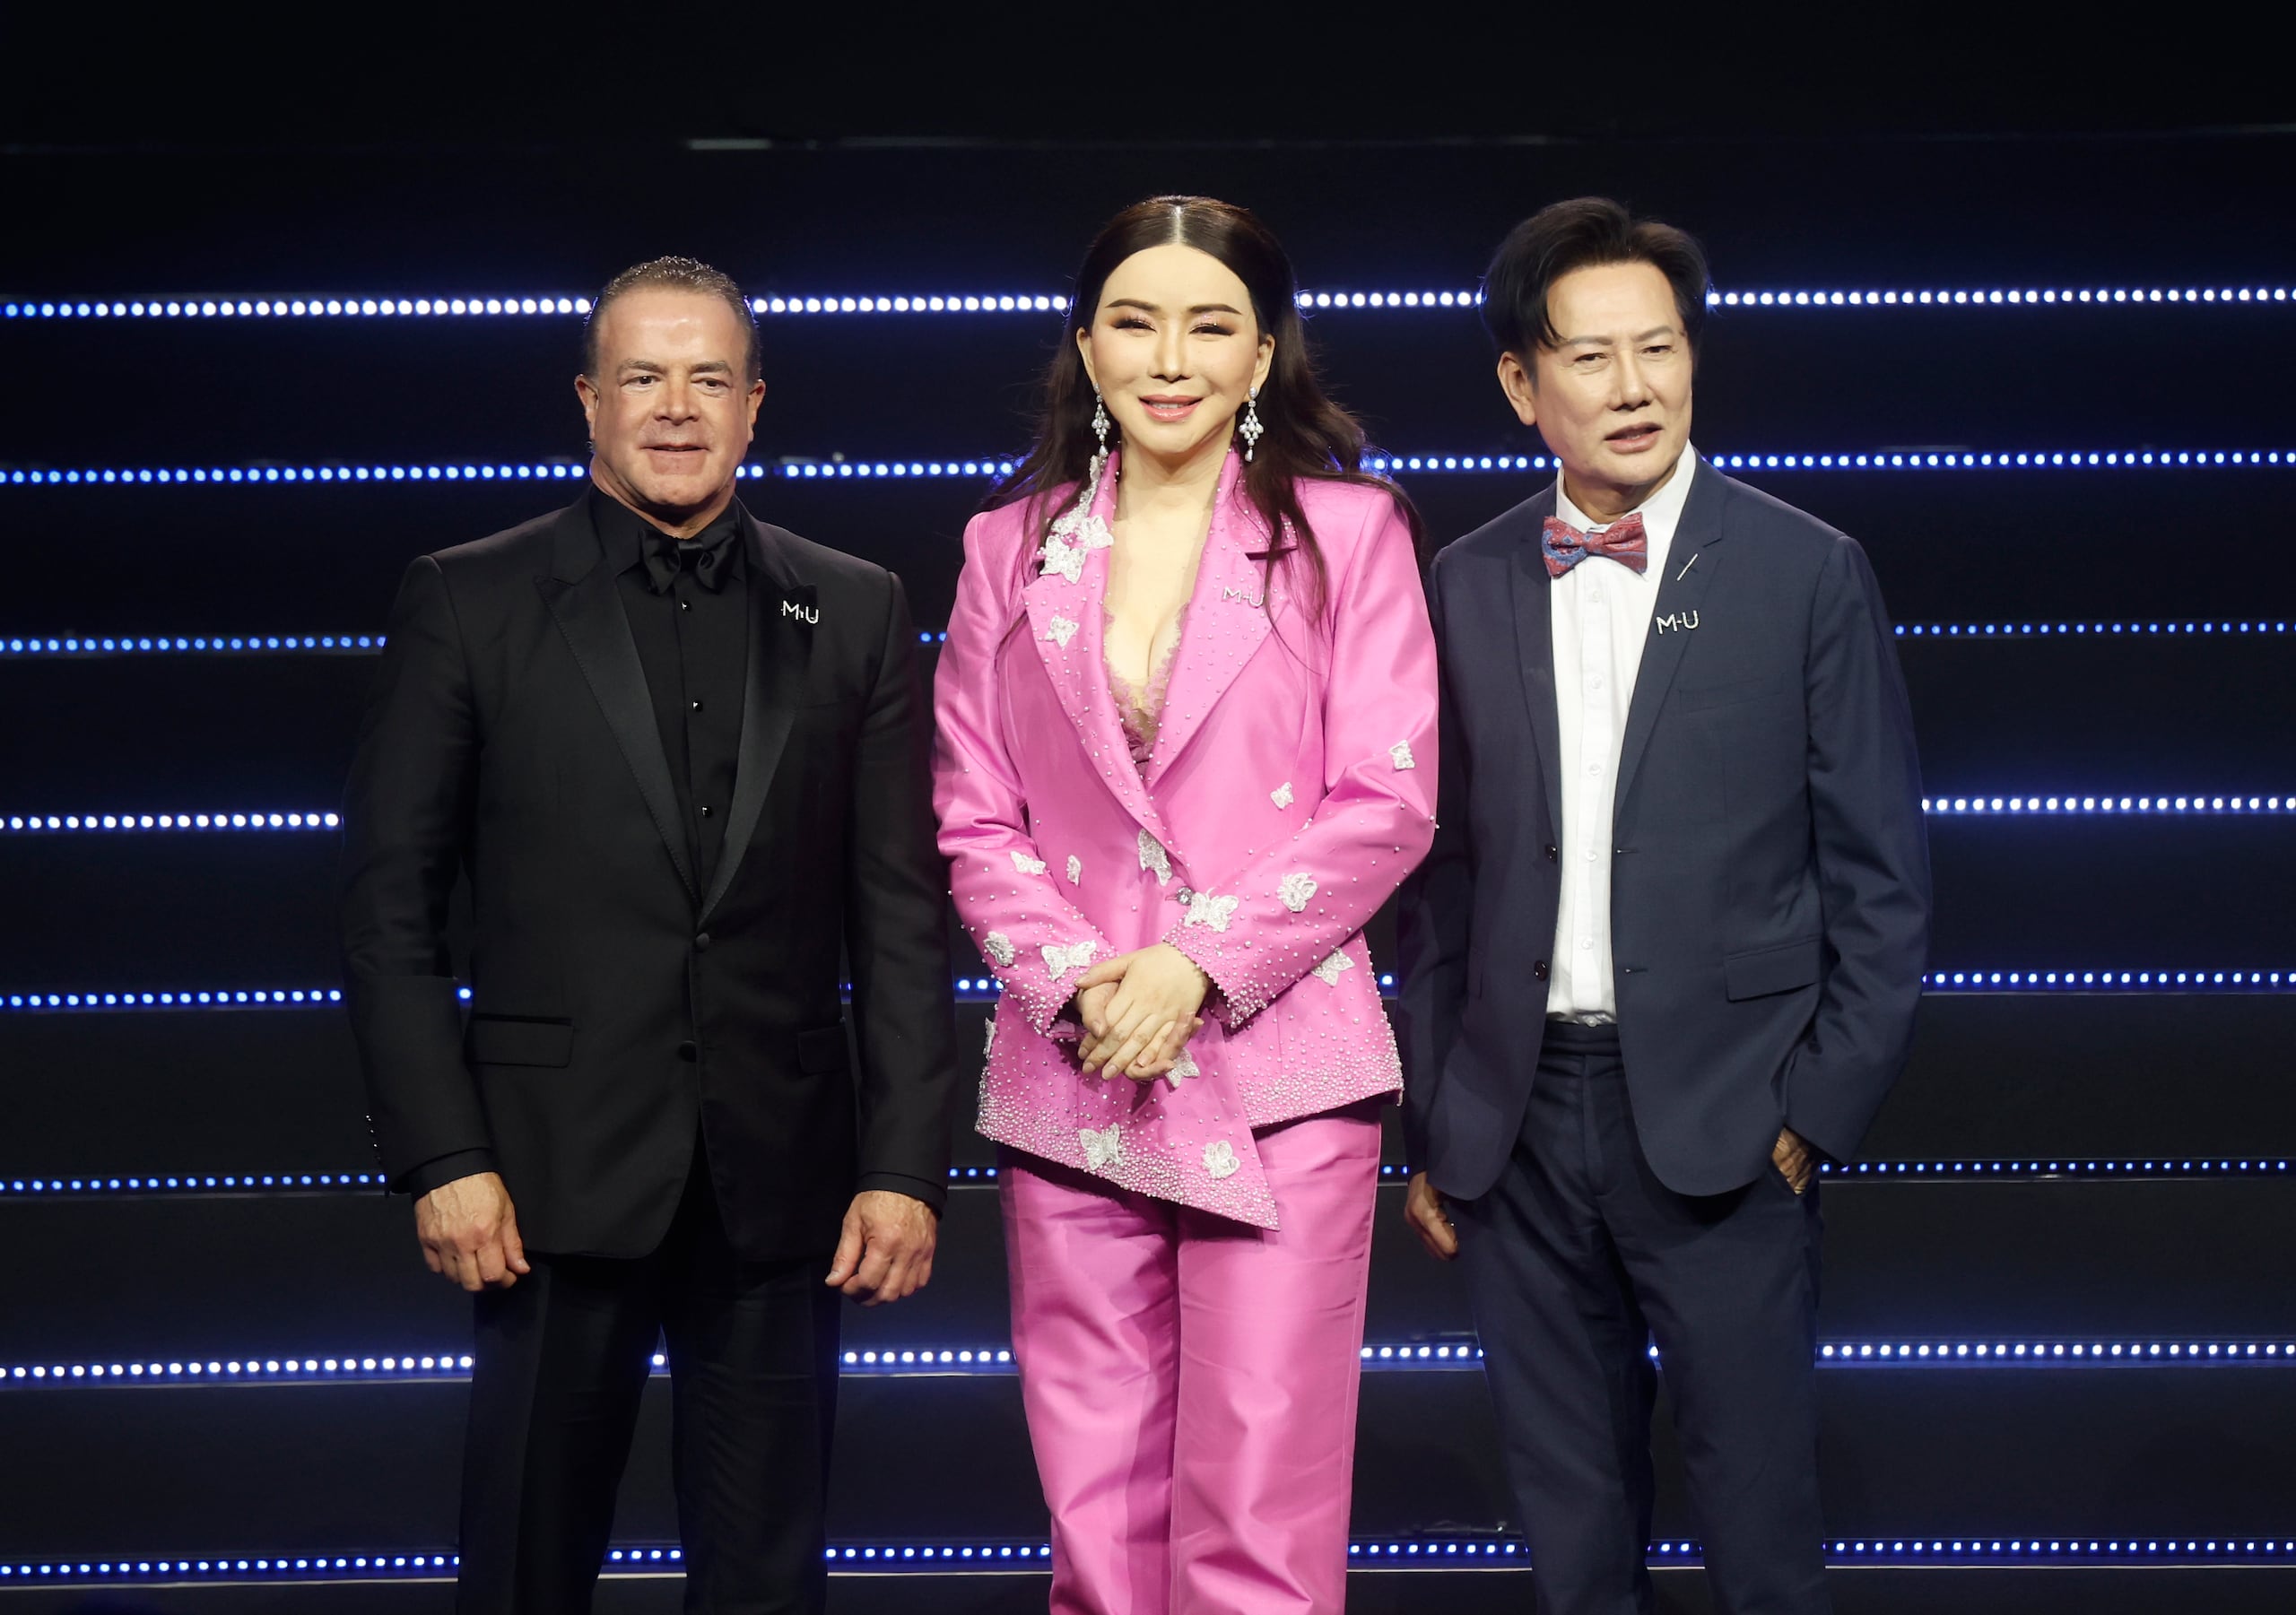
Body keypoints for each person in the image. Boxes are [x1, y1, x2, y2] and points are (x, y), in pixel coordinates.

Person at [339, 256, 961, 1614]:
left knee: (767, 1576)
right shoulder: (469, 596)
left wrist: (905, 1164)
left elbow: (902, 913)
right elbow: (391, 908)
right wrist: (443, 1153)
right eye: (641, 376)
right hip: (543, 1182)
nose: (675, 408)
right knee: (526, 1567)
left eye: (706, 379)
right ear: (588, 400)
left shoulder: (853, 604)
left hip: (784, 1180)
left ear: (753, 405)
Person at [1395, 198, 1930, 1615]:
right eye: (1590, 356)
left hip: (1730, 1118)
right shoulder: (1463, 580)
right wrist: (1442, 1115)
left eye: (1661, 349)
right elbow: (1438, 878)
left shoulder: (1806, 569)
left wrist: (1815, 1113)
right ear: (1522, 384)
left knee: (1760, 1535)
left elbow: (1882, 876)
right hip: (1515, 1129)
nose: (1633, 388)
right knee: (1573, 1548)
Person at [933, 195, 1438, 1613]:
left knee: (1261, 1491)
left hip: (1280, 1065)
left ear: (1262, 353)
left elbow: (1387, 798)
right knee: (1093, 1496)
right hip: (1074, 1053)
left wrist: (1195, 970)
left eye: (1211, 324)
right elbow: (974, 811)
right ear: (1086, 349)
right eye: (1137, 322)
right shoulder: (1005, 548)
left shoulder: (1350, 532)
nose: (1172, 357)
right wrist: (1093, 980)